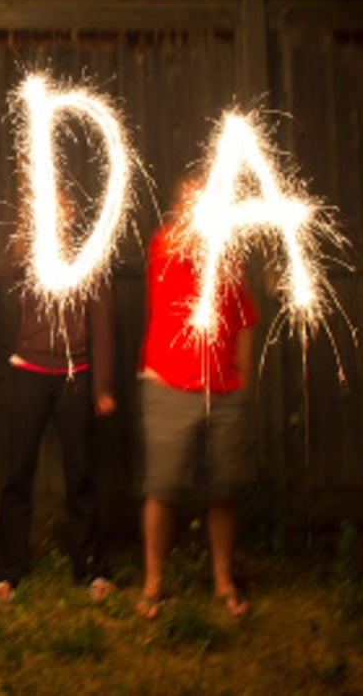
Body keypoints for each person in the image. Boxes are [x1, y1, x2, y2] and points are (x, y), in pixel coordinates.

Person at [136, 178, 257, 621]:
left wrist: (242, 378)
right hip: (169, 384)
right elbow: (185, 251)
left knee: (223, 490)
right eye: (193, 199)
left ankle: (223, 581)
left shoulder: (231, 257)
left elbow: (245, 317)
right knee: (162, 488)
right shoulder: (166, 243)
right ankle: (153, 584)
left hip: (225, 390)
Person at [0, 210, 117, 604]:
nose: (58, 216)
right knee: (18, 474)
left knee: (80, 474)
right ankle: (7, 571)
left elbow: (102, 322)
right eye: (51, 207)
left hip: (74, 374)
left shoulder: (88, 257)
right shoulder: (28, 252)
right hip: (28, 370)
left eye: (64, 209)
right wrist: (23, 237)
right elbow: (0, 276)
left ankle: (93, 567)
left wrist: (102, 387)